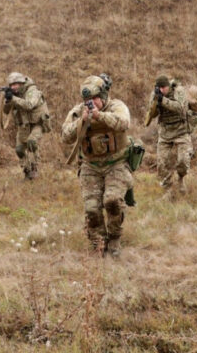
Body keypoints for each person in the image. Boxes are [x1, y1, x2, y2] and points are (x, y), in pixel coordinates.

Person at [61, 75, 133, 257]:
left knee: (112, 201)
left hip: (116, 163)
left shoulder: (116, 106)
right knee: (92, 209)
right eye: (87, 100)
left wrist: (99, 116)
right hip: (90, 165)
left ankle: (115, 237)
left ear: (103, 96)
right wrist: (81, 121)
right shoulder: (78, 112)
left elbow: (124, 123)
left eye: (94, 99)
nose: (90, 103)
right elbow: (65, 136)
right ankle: (99, 242)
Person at [145, 75, 193, 200]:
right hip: (165, 133)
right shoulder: (155, 94)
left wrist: (163, 101)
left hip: (181, 131)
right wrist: (156, 101)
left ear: (168, 86)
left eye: (164, 88)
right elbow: (152, 114)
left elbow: (180, 108)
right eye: (159, 88)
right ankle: (169, 189)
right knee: (161, 164)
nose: (162, 90)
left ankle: (181, 178)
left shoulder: (178, 91)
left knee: (183, 161)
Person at [1, 72, 50, 180]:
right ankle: (27, 171)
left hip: (38, 124)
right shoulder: (15, 95)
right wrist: (8, 100)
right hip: (23, 125)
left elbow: (29, 105)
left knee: (32, 142)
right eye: (11, 85)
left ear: (22, 83)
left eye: (16, 84)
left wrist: (13, 98)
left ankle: (34, 168)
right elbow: (5, 111)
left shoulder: (32, 91)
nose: (14, 87)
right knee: (19, 150)